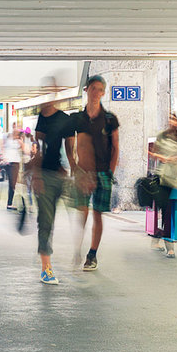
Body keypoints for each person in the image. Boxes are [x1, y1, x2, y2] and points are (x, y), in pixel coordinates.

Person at [71, 74, 121, 272]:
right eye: (93, 88)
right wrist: (75, 168)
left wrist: (109, 172)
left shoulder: (110, 120)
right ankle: (78, 248)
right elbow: (71, 143)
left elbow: (116, 147)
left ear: (103, 93)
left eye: (100, 89)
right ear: (87, 90)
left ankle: (92, 254)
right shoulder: (78, 118)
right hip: (83, 173)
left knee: (98, 214)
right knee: (81, 212)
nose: (96, 93)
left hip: (102, 174)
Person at [30, 78, 77, 284]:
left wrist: (74, 171)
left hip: (60, 176)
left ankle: (50, 254)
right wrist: (36, 175)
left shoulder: (65, 119)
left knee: (55, 221)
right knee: (46, 222)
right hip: (44, 177)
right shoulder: (41, 119)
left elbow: (70, 149)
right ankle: (46, 268)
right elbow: (38, 149)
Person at [148, 112, 177, 258]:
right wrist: (163, 158)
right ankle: (169, 245)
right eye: (169, 118)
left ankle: (157, 237)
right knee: (166, 211)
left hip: (173, 178)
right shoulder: (162, 136)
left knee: (166, 211)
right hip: (161, 177)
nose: (171, 121)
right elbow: (152, 153)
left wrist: (175, 158)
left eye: (174, 119)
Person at [0, 129, 23, 210]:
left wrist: (21, 143)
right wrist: (2, 156)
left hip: (15, 162)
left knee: (12, 184)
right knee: (10, 182)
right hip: (7, 162)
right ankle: (9, 203)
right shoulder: (7, 137)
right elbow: (2, 145)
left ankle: (9, 203)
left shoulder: (19, 140)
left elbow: (24, 150)